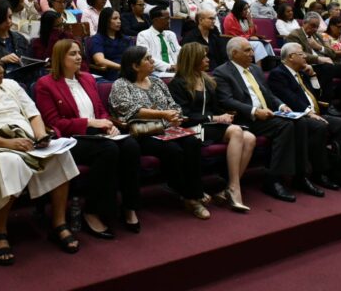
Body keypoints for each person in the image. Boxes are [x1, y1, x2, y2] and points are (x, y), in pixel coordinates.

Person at [0, 49, 80, 262]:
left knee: (59, 154)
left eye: (1, 65)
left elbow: (33, 114)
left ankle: (58, 223)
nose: (1, 70)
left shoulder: (11, 86)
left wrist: (40, 136)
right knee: (8, 160)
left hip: (25, 143)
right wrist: (7, 143)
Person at [35, 40, 142, 234]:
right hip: (71, 138)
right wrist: (89, 123)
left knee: (131, 146)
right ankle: (92, 211)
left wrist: (108, 125)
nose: (78, 57)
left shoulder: (87, 78)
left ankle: (129, 206)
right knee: (108, 150)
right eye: (73, 54)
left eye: (79, 53)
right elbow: (55, 123)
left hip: (98, 133)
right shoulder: (46, 84)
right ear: (60, 57)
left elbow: (100, 110)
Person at [109, 46, 209, 219]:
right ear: (135, 66)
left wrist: (177, 116)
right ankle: (190, 196)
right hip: (142, 133)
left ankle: (193, 192)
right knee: (173, 150)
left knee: (193, 142)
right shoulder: (121, 85)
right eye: (148, 59)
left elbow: (173, 104)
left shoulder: (156, 82)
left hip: (167, 128)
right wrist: (163, 114)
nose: (152, 61)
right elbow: (131, 110)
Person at [214, 38, 308, 201]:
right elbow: (227, 100)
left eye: (252, 49)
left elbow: (268, 94)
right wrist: (254, 111)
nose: (253, 53)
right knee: (285, 126)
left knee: (300, 122)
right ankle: (273, 179)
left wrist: (281, 106)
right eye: (247, 50)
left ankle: (300, 175)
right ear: (234, 53)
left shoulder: (255, 70)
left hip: (267, 115)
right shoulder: (222, 72)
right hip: (245, 119)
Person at [169, 43, 255, 212]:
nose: (208, 60)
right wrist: (213, 117)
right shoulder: (177, 83)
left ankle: (229, 188)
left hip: (210, 126)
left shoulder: (207, 80)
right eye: (204, 57)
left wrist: (225, 115)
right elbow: (184, 116)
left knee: (250, 138)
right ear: (193, 59)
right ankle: (234, 191)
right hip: (191, 128)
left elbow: (215, 109)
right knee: (237, 131)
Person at [268, 43, 341, 189]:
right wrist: (309, 114)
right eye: (301, 53)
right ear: (291, 57)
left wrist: (312, 76)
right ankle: (320, 173)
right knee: (320, 126)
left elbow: (318, 95)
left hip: (315, 112)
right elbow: (289, 98)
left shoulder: (302, 73)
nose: (305, 56)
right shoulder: (278, 74)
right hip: (298, 116)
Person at [285, 12, 341, 115]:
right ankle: (327, 104)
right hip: (308, 66)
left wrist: (319, 47)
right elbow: (298, 54)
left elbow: (332, 53)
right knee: (327, 67)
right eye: (312, 26)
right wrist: (318, 59)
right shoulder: (294, 35)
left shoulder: (317, 36)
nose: (315, 29)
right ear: (304, 23)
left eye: (316, 26)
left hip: (326, 64)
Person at [223, 0, 274, 65]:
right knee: (258, 44)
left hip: (246, 39)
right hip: (235, 41)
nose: (247, 11)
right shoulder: (230, 18)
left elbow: (251, 33)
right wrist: (250, 37)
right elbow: (236, 35)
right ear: (238, 9)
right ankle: (259, 69)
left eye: (248, 8)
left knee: (267, 44)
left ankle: (271, 65)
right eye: (245, 9)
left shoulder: (244, 17)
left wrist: (250, 21)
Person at [88, 8, 133, 81]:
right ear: (106, 21)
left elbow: (134, 56)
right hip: (111, 73)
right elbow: (99, 60)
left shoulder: (126, 39)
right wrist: (121, 67)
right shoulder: (97, 39)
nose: (119, 21)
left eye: (119, 18)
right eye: (115, 18)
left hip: (128, 71)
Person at [136, 6, 181, 73]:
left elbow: (178, 52)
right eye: (166, 18)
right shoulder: (143, 35)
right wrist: (169, 66)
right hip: (154, 71)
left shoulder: (171, 34)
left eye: (169, 18)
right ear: (156, 20)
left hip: (175, 70)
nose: (169, 21)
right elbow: (147, 58)